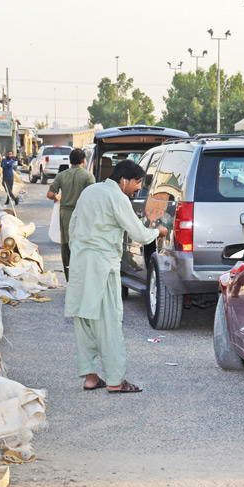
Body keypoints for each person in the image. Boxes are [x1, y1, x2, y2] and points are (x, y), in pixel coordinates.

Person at [65, 160, 167, 393]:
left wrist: (80, 252)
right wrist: (157, 232)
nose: (138, 188)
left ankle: (91, 377)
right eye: (137, 183)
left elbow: (73, 226)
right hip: (102, 268)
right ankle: (114, 381)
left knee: (84, 321)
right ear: (123, 181)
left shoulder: (89, 192)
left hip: (81, 264)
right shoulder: (118, 197)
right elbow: (138, 233)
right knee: (109, 324)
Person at [46, 148, 95, 280]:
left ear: (70, 161)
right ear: (83, 161)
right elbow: (93, 197)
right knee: (82, 244)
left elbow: (50, 195)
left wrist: (57, 197)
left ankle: (70, 278)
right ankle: (82, 277)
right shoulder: (88, 176)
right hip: (82, 214)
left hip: (65, 214)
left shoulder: (61, 175)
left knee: (66, 245)